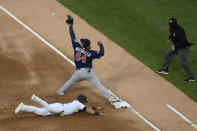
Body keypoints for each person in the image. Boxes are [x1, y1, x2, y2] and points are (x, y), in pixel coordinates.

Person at [57, 15, 119, 102]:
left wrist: (70, 26)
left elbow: (72, 36)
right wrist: (100, 45)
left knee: (70, 82)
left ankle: (60, 91)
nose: (80, 42)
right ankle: (111, 98)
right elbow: (101, 53)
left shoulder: (76, 47)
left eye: (81, 42)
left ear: (83, 44)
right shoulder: (91, 53)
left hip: (78, 73)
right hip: (89, 73)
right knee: (100, 86)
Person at [157, 17, 195, 82]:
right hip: (176, 46)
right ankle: (165, 69)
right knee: (168, 55)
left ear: (175, 24)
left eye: (171, 24)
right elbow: (171, 34)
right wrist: (170, 39)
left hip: (183, 48)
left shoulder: (180, 30)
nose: (170, 25)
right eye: (170, 24)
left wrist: (175, 47)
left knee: (183, 62)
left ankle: (191, 77)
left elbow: (183, 42)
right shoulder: (171, 27)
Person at [15, 94, 105, 116]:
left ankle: (23, 107)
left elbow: (87, 108)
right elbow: (88, 110)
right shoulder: (79, 104)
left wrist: (97, 107)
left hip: (59, 107)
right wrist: (98, 113)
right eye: (85, 101)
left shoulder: (77, 103)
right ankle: (36, 98)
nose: (85, 103)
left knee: (40, 112)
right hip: (59, 109)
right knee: (49, 109)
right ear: (82, 101)